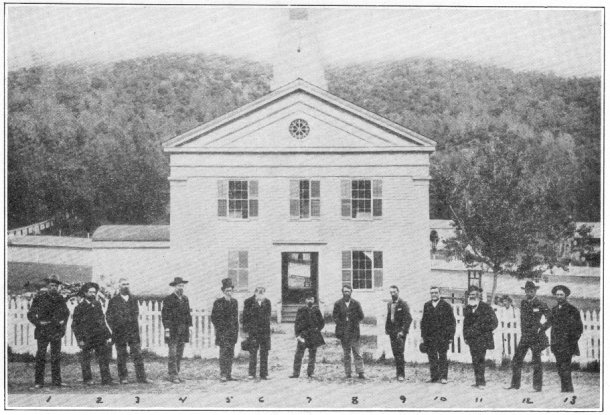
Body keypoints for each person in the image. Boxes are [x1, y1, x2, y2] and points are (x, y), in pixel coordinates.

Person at [505, 281, 550, 392]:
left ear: (535, 291)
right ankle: (515, 385)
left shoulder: (541, 303)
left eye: (531, 290)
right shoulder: (523, 303)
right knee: (516, 360)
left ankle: (537, 387)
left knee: (536, 361)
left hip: (535, 337)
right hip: (525, 337)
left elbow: (551, 318)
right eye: (527, 290)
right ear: (524, 291)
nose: (529, 292)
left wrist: (542, 328)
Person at [27, 275, 70, 388]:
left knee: (56, 356)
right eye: (52, 285)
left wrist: (63, 326)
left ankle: (56, 381)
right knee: (41, 355)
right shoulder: (39, 298)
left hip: (56, 331)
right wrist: (38, 323)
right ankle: (38, 382)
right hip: (43, 331)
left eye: (56, 286)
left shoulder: (60, 299)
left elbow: (66, 313)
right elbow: (30, 314)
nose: (54, 288)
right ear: (47, 286)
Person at [541, 285, 583, 393]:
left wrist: (572, 342)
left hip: (567, 345)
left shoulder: (572, 310)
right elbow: (549, 322)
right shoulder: (554, 309)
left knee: (565, 368)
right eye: (557, 295)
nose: (559, 296)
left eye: (561, 295)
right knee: (560, 368)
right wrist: (540, 329)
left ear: (566, 296)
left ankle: (568, 391)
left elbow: (579, 328)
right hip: (556, 344)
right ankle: (565, 389)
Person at [106, 278, 148, 384]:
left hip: (133, 332)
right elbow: (109, 316)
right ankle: (123, 377)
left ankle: (141, 377)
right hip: (119, 332)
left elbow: (136, 313)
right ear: (119, 286)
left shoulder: (133, 299)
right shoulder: (113, 300)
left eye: (128, 284)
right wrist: (115, 327)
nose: (126, 286)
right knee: (121, 355)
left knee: (137, 354)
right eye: (124, 284)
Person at [71, 282, 114, 386]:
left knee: (103, 358)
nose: (93, 294)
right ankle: (87, 379)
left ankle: (106, 379)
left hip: (99, 336)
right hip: (86, 337)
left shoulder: (97, 305)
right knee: (85, 359)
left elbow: (102, 321)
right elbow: (75, 325)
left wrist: (108, 335)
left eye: (94, 292)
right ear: (85, 293)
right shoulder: (79, 308)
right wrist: (80, 339)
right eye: (90, 292)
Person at [463, 285, 498, 389]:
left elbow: (495, 322)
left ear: (478, 296)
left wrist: (483, 329)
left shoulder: (486, 307)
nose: (472, 296)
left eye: (474, 294)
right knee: (474, 360)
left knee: (480, 359)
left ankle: (482, 382)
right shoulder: (468, 308)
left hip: (482, 338)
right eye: (470, 295)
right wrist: (465, 336)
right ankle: (477, 382)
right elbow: (465, 324)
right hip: (471, 339)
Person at [420, 286, 456, 384]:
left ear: (439, 294)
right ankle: (434, 377)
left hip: (442, 336)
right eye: (432, 293)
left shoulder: (446, 305)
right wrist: (423, 337)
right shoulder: (427, 305)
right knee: (432, 357)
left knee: (442, 356)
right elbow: (423, 322)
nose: (434, 295)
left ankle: (444, 377)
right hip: (430, 337)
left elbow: (452, 322)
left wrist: (450, 337)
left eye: (436, 292)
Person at [161, 277, 192, 383]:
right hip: (172, 330)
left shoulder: (185, 299)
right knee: (173, 353)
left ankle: (177, 373)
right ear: (174, 287)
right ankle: (172, 375)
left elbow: (188, 314)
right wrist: (167, 329)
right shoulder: (168, 299)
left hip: (183, 330)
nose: (181, 287)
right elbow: (165, 315)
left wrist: (190, 326)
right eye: (179, 286)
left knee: (179, 353)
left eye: (182, 286)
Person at [333, 285, 365, 379]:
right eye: (344, 291)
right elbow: (335, 317)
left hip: (354, 332)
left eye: (348, 291)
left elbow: (361, 316)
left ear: (351, 292)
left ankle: (360, 372)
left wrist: (353, 321)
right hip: (344, 333)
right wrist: (342, 323)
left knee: (357, 353)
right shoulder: (338, 303)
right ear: (342, 292)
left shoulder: (356, 303)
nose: (346, 293)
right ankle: (348, 373)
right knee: (346, 353)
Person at [290, 291, 325, 378]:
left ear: (313, 300)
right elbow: (297, 323)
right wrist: (298, 335)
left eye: (312, 299)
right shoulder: (301, 310)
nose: (310, 300)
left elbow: (322, 322)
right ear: (305, 300)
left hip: (313, 335)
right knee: (298, 355)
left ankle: (311, 372)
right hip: (303, 335)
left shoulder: (316, 310)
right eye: (308, 299)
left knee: (312, 355)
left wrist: (317, 329)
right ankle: (295, 373)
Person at [211, 278, 239, 382]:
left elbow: (236, 319)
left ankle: (229, 374)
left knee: (230, 354)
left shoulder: (234, 302)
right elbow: (214, 318)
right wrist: (221, 328)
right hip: (222, 333)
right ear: (223, 291)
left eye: (230, 290)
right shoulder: (218, 302)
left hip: (232, 333)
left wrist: (236, 332)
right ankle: (223, 374)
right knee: (223, 353)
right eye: (227, 291)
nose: (229, 292)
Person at [243, 287, 272, 380]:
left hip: (264, 332)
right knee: (253, 353)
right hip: (253, 332)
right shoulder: (248, 302)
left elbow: (268, 317)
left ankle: (264, 374)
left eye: (262, 293)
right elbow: (245, 318)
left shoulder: (267, 302)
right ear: (255, 293)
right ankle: (251, 374)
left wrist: (269, 330)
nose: (261, 294)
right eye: (259, 292)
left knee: (264, 353)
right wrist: (246, 332)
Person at [384, 285, 412, 381]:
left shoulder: (403, 304)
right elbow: (389, 317)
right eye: (391, 292)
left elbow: (408, 319)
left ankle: (401, 375)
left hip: (400, 333)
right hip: (392, 332)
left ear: (398, 292)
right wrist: (387, 329)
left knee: (400, 353)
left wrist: (403, 331)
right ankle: (397, 373)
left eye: (394, 292)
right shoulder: (389, 304)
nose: (392, 294)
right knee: (395, 353)